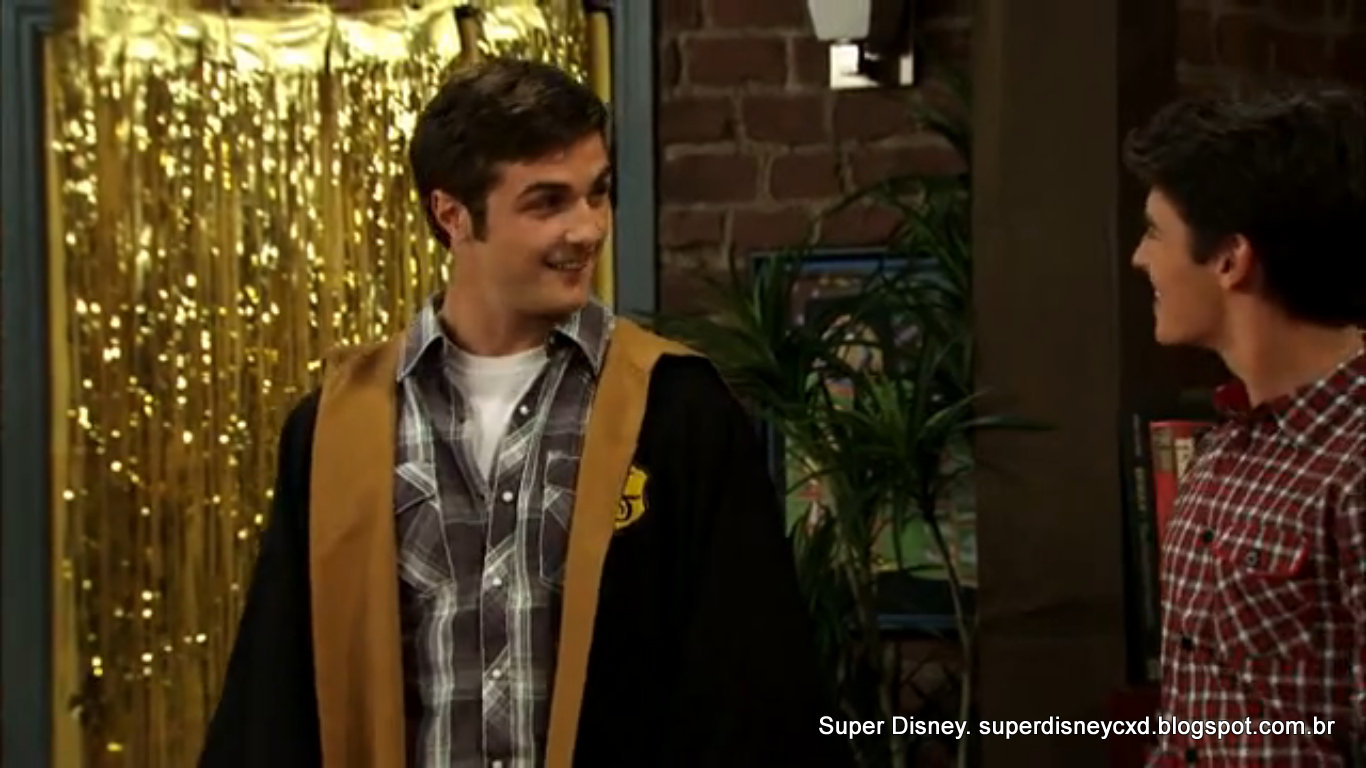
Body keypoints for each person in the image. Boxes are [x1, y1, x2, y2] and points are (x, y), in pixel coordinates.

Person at [199, 57, 846, 768]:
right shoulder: (336, 428)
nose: (587, 229)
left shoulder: (675, 409)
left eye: (597, 193)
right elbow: (276, 697)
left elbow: (749, 694)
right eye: (547, 203)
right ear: (453, 216)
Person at [1123, 87, 1366, 766]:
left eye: (1154, 232)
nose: (1139, 258)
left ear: (1230, 259)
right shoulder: (1226, 446)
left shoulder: (1354, 465)